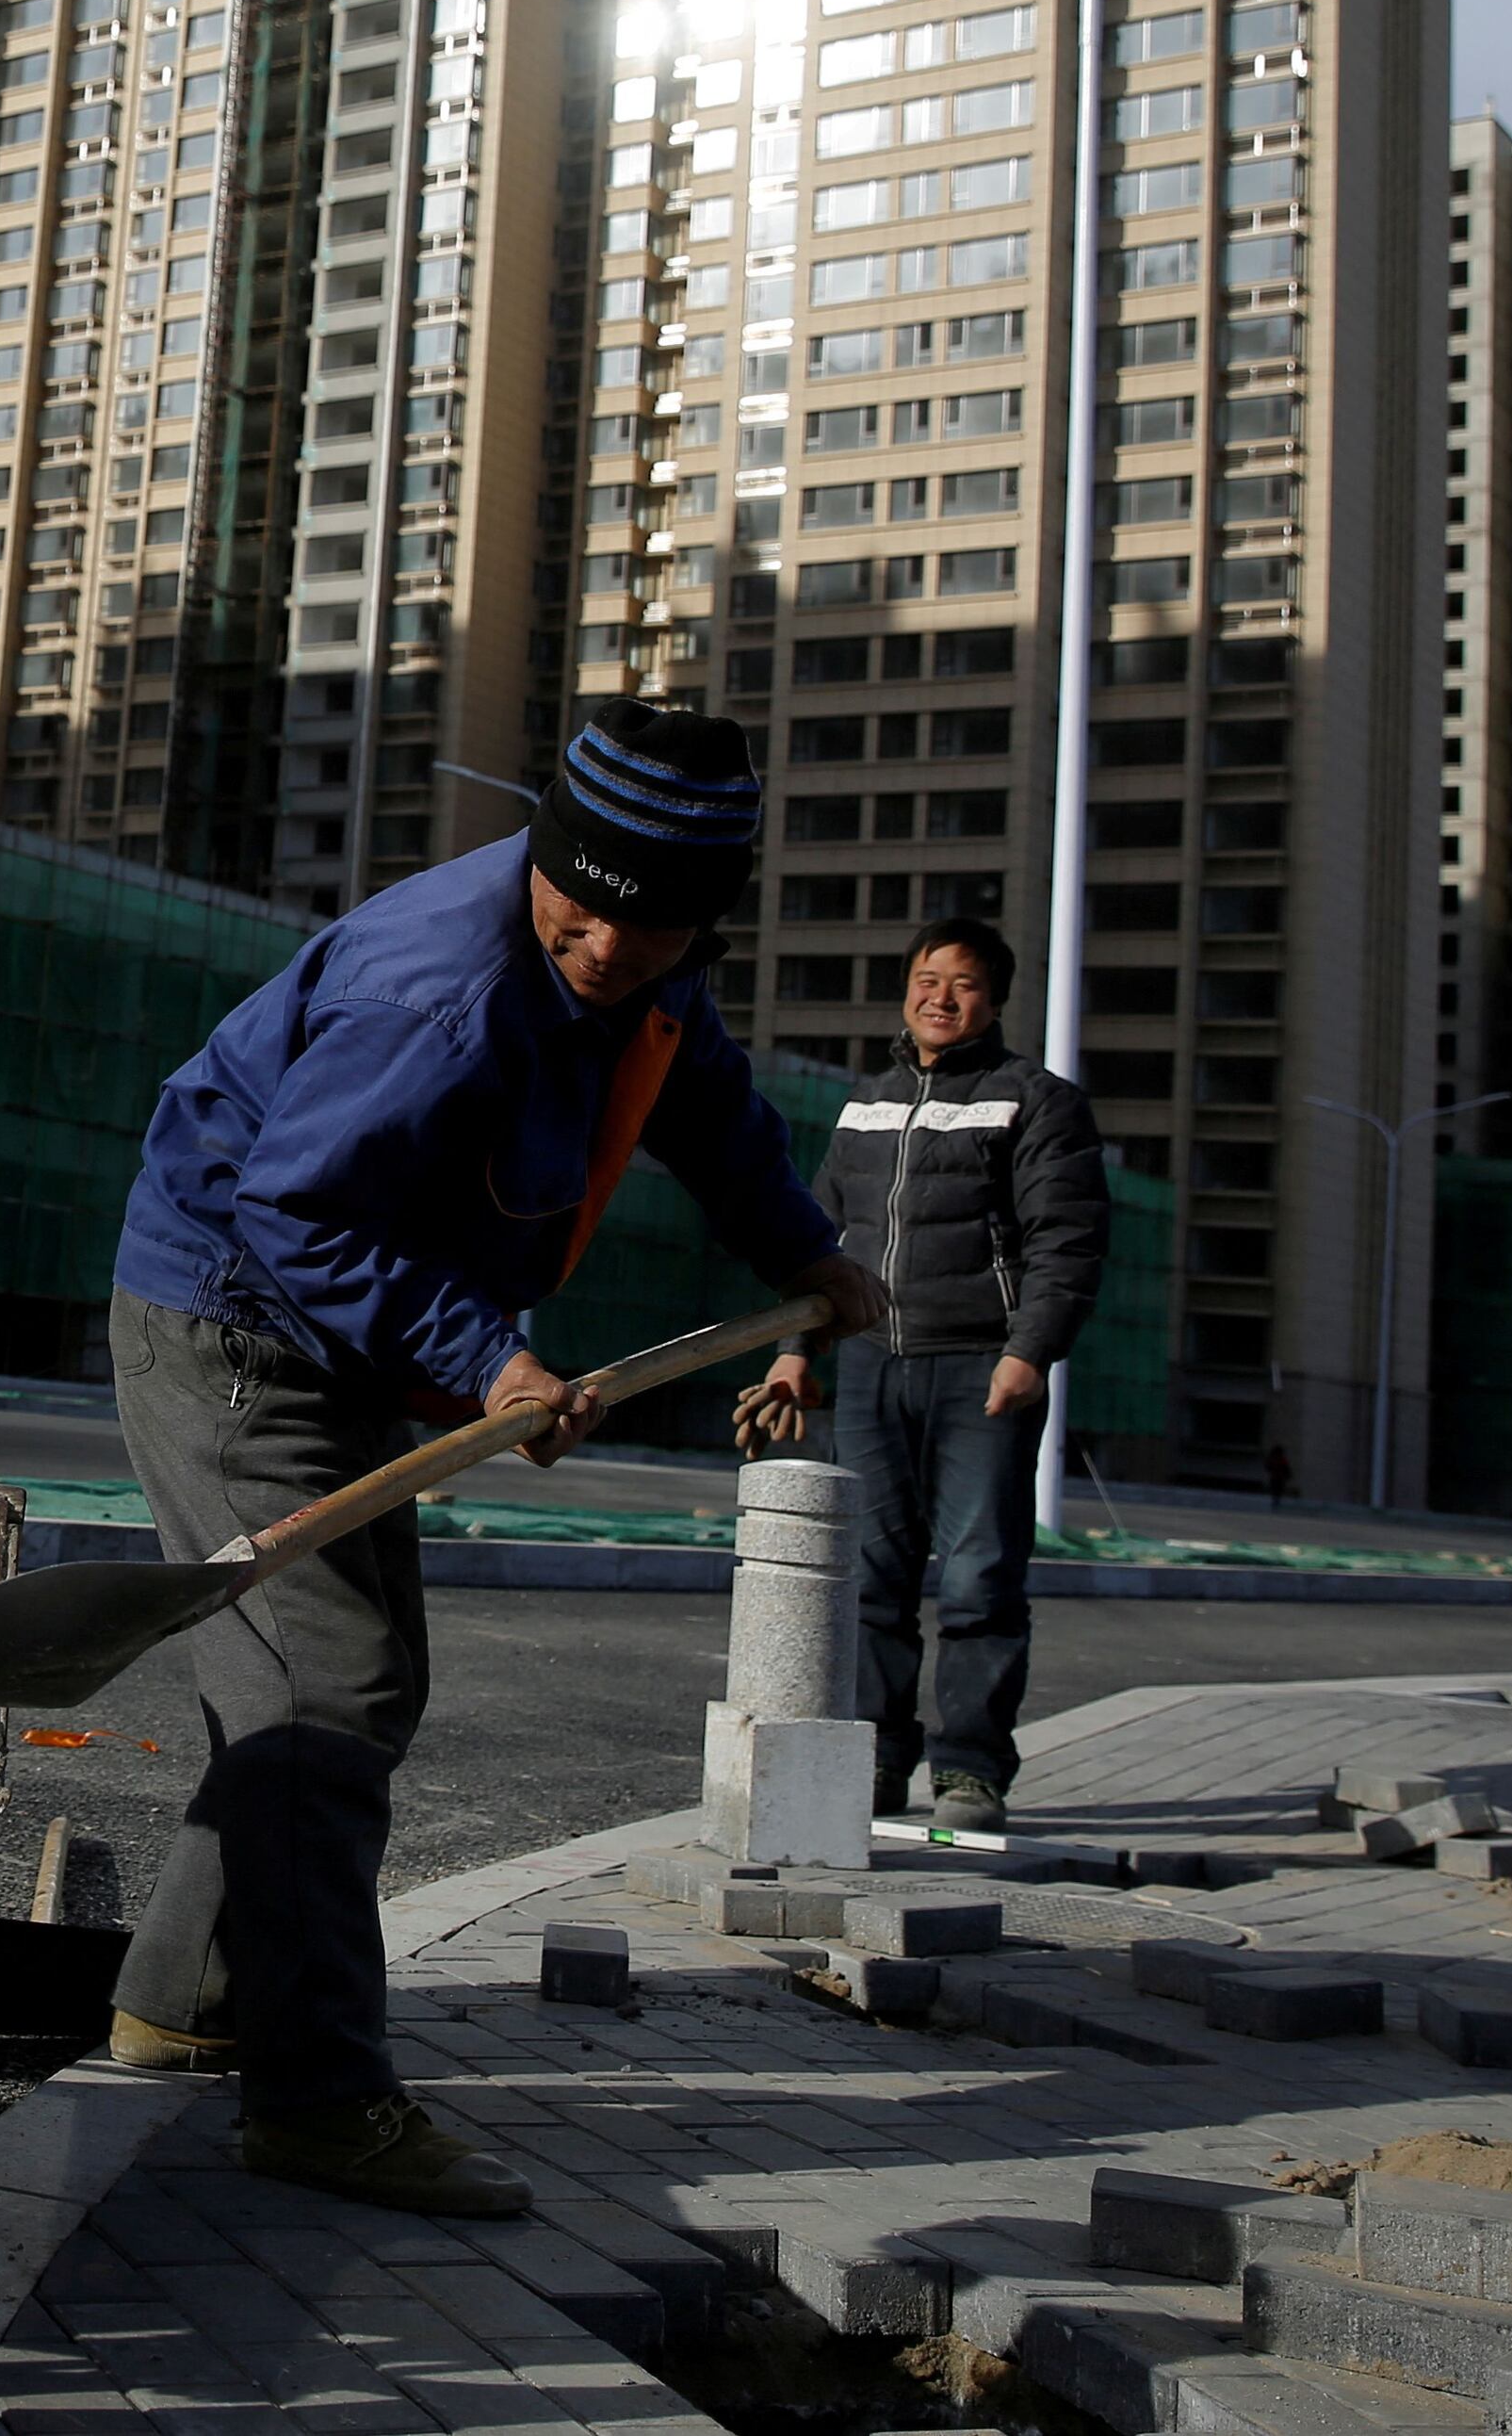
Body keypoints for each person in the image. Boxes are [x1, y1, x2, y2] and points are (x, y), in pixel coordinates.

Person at [102, 697, 888, 2217]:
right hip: (236, 1321)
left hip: (353, 1330)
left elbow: (712, 1112)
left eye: (648, 930)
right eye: (578, 912)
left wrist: (810, 1251)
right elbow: (297, 1210)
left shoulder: (648, 970)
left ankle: (181, 1997)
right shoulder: (437, 987)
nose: (604, 950)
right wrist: (491, 1360)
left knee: (328, 1682)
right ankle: (318, 2098)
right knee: (328, 1686)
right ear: (543, 859)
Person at [738, 918, 1104, 1835]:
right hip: (867, 1367)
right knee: (870, 1579)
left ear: (993, 998)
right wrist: (794, 1350)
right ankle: (874, 1760)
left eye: (963, 982)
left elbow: (1065, 1241)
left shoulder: (1034, 1100)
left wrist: (1029, 1352)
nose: (939, 995)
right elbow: (823, 1241)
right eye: (924, 977)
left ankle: (970, 1773)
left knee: (978, 1577)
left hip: (980, 1368)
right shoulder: (866, 1104)